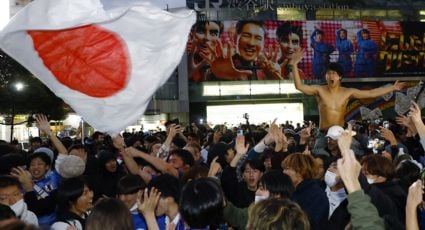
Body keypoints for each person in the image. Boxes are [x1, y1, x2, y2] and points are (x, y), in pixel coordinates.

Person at [290, 49, 405, 131]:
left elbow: (371, 93)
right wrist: (294, 65)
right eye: (328, 74)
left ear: (340, 77)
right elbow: (299, 86)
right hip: (323, 133)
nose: (330, 76)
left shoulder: (347, 92)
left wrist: (393, 87)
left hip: (340, 132)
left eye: (334, 74)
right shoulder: (319, 90)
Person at [203, 21, 282, 80]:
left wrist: (276, 77)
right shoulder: (222, 66)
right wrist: (215, 76)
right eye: (246, 36)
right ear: (234, 38)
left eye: (258, 38)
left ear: (263, 44)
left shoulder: (266, 70)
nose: (251, 43)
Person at [281, 153, 329, 230]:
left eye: (287, 169)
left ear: (300, 170)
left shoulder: (316, 195)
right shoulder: (293, 191)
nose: (283, 172)